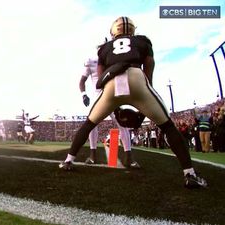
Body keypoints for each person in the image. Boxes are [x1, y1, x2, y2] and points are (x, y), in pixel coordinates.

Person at [59, 16, 207, 189]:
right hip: (136, 76)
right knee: (167, 126)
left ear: (114, 31)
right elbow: (149, 66)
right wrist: (146, 97)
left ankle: (68, 161)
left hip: (111, 84)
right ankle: (189, 173)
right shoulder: (142, 41)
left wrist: (113, 101)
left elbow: (100, 79)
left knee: (89, 124)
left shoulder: (104, 48)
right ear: (132, 30)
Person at [80, 57, 140, 168]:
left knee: (123, 125)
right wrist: (83, 94)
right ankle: (93, 156)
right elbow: (82, 81)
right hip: (98, 97)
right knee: (91, 125)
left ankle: (129, 158)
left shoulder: (114, 57)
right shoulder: (91, 60)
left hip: (112, 95)